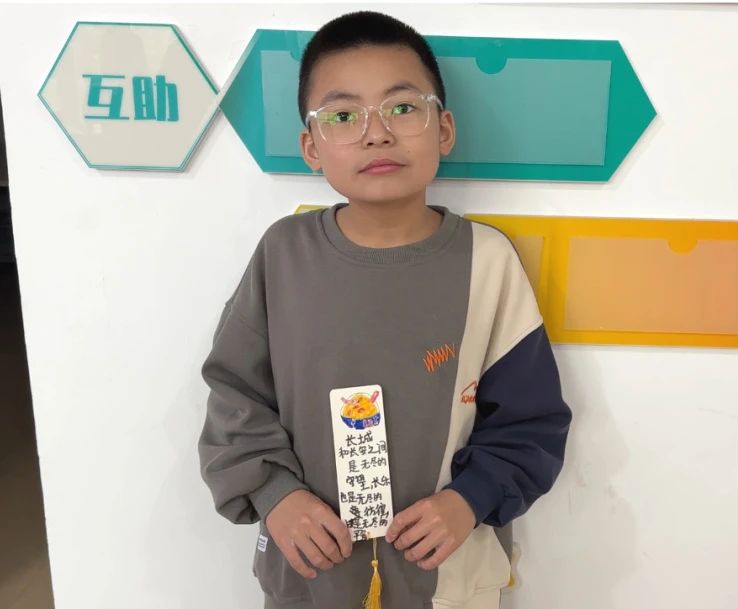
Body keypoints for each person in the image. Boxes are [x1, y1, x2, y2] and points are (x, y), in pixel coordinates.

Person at [198, 10, 572, 609]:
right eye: (343, 116)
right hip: (311, 578)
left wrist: (469, 499)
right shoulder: (284, 255)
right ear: (311, 146)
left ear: (443, 129)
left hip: (447, 579)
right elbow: (235, 394)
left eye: (402, 107)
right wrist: (275, 495)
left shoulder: (488, 261)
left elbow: (531, 420)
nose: (376, 134)